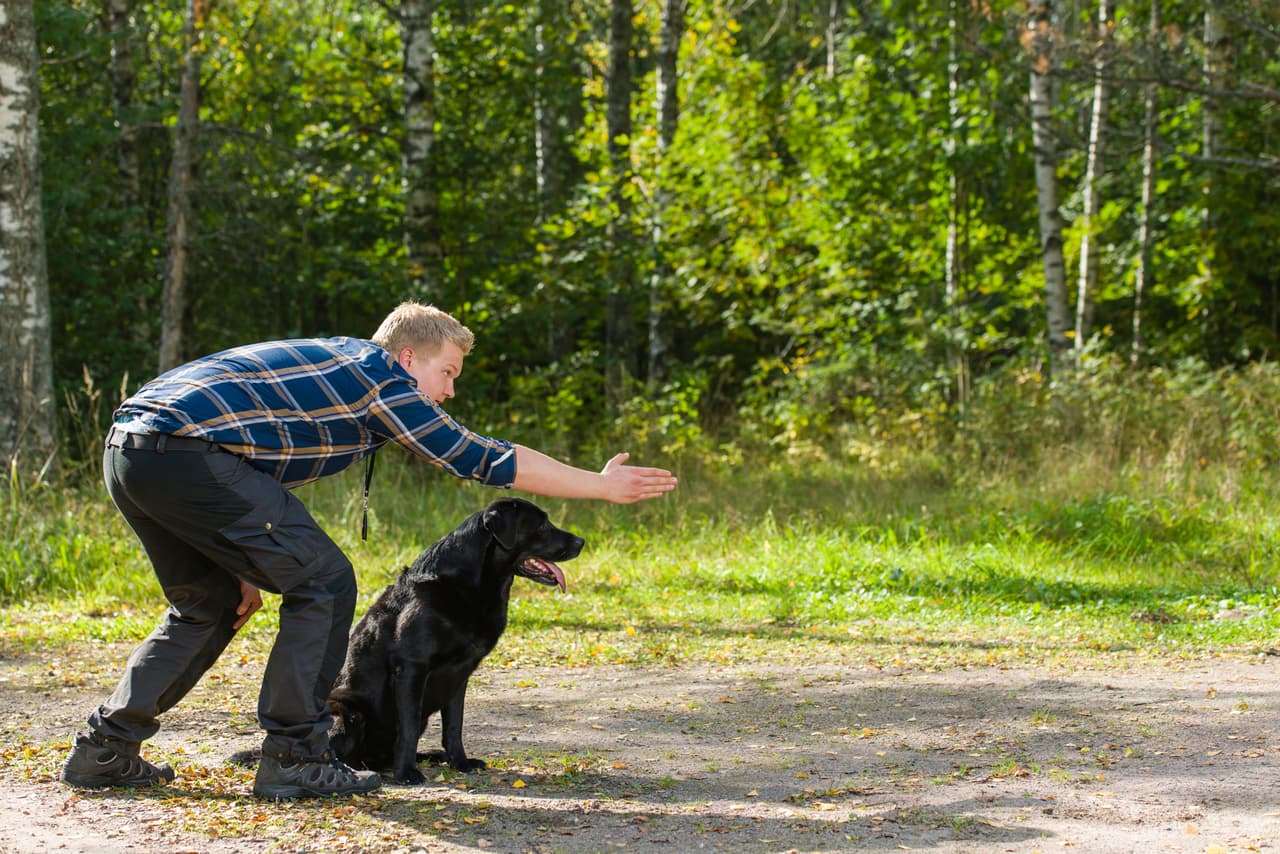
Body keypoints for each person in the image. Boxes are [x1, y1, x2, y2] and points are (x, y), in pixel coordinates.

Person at [60, 302, 677, 799]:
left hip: (134, 451)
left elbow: (243, 454)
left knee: (211, 603)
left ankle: (105, 748)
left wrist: (234, 564)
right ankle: (295, 756)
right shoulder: (381, 378)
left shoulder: (337, 366)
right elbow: (479, 457)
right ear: (409, 358)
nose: (450, 391)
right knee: (324, 582)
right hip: (185, 453)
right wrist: (599, 485)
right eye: (447, 373)